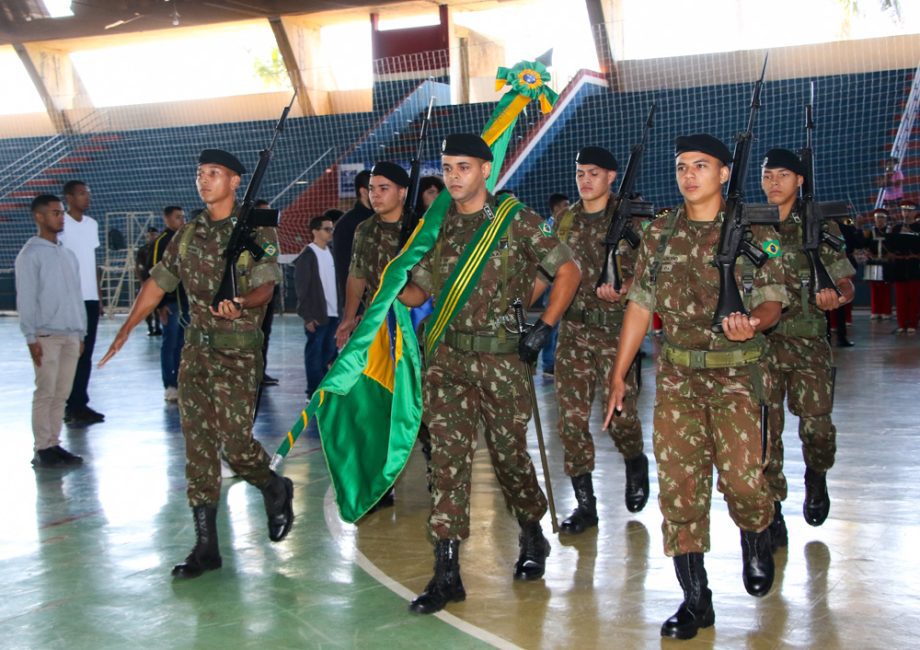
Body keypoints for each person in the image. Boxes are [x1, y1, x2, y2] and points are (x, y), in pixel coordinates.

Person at [605, 134, 787, 640]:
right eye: (682, 166)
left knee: (745, 481)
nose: (688, 175)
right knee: (680, 491)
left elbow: (774, 299)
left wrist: (754, 321)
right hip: (680, 375)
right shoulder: (660, 231)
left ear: (724, 173)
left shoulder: (753, 228)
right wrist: (619, 373)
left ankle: (756, 533)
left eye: (701, 166)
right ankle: (695, 599)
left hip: (738, 372)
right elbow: (641, 303)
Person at [398, 133, 581, 615]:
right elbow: (419, 293)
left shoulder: (515, 220)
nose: (453, 176)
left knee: (508, 458)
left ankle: (531, 530)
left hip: (502, 362)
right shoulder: (437, 227)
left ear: (485, 170)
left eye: (463, 167)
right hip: (448, 362)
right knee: (447, 464)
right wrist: (391, 287)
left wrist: (545, 326)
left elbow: (568, 271)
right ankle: (447, 571)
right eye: (447, 168)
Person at [99, 149, 294, 579]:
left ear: (235, 181)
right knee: (199, 447)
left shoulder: (257, 232)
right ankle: (206, 547)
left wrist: (240, 302)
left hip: (238, 352)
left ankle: (274, 486)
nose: (203, 181)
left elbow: (266, 287)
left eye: (213, 174)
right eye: (200, 174)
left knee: (235, 444)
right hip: (196, 353)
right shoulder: (186, 234)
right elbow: (158, 283)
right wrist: (127, 327)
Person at [758, 149, 855, 548]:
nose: (774, 182)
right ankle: (773, 509)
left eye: (783, 175)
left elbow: (846, 280)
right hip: (761, 345)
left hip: (808, 342)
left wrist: (838, 296)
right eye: (768, 175)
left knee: (817, 428)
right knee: (766, 434)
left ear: (799, 180)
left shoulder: (819, 224)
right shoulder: (749, 225)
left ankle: (817, 474)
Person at [553, 146, 649, 534]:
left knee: (621, 416)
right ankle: (585, 505)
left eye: (594, 173)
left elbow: (650, 271)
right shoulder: (565, 220)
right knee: (570, 422)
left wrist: (626, 286)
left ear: (611, 177)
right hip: (574, 331)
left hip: (617, 331)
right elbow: (550, 266)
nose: (586, 181)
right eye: (580, 174)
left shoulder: (631, 219)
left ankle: (635, 459)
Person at [16, 194, 87, 468]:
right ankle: (41, 447)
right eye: (55, 213)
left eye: (61, 213)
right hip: (46, 335)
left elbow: (76, 295)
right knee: (45, 392)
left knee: (61, 394)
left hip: (70, 334)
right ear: (39, 217)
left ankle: (54, 443)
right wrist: (30, 336)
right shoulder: (30, 255)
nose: (61, 217)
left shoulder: (67, 254)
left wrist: (80, 333)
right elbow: (27, 298)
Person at [335, 162, 411, 348]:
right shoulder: (364, 229)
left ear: (402, 192)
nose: (375, 194)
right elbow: (356, 275)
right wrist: (348, 318)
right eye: (371, 189)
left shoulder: (419, 229)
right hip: (375, 320)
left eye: (383, 188)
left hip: (410, 321)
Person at [59, 180, 105, 425]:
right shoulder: (61, 225)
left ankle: (80, 403)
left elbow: (91, 261)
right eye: (81, 194)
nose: (87, 197)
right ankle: (69, 405)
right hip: (70, 299)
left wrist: (97, 295)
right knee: (71, 354)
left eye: (88, 193)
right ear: (68, 197)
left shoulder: (91, 225)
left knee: (85, 354)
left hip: (89, 298)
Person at [294, 215, 341, 399]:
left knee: (329, 353)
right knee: (315, 353)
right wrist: (307, 316)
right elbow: (302, 289)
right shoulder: (307, 255)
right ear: (315, 231)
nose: (330, 233)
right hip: (318, 315)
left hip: (333, 313)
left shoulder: (331, 253)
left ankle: (325, 391)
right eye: (326, 229)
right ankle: (313, 392)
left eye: (331, 229)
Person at [148, 206, 187, 402]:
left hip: (185, 301)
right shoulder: (161, 242)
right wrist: (160, 303)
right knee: (169, 343)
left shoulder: (185, 240)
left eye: (183, 217)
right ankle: (170, 385)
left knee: (183, 344)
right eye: (177, 217)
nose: (182, 220)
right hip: (170, 303)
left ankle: (182, 382)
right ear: (167, 219)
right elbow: (156, 274)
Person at [253, 200, 281, 387]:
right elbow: (268, 254)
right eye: (264, 213)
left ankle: (261, 371)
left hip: (270, 287)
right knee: (256, 334)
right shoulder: (253, 235)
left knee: (265, 333)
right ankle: (254, 373)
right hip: (256, 290)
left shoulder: (270, 234)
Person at [332, 169, 373, 298]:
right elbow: (345, 268)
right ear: (364, 192)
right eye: (375, 189)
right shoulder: (347, 224)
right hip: (363, 303)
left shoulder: (382, 218)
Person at [137, 226, 162, 336]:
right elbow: (138, 267)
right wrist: (142, 281)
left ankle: (158, 326)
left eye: (154, 235)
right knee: (147, 306)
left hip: (159, 281)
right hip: (147, 281)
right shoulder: (143, 250)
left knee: (159, 306)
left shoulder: (162, 247)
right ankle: (150, 327)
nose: (151, 237)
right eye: (149, 235)